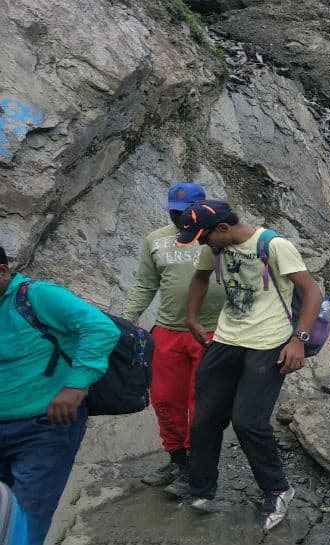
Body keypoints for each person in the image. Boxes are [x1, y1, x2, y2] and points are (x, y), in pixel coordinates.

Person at [176, 200, 323, 530]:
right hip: (226, 339)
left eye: (203, 237)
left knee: (248, 421)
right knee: (205, 418)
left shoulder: (273, 245)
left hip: (268, 342)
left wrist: (298, 339)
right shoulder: (212, 246)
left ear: (223, 228)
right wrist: (191, 319)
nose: (201, 244)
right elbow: (200, 279)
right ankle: (201, 490)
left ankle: (278, 489)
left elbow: (311, 291)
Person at [0, 246, 119, 544]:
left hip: (45, 428)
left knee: (26, 515)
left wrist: (76, 385)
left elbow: (100, 328)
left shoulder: (36, 296)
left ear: (3, 272)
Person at [121, 183, 226, 488]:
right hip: (167, 332)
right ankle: (177, 461)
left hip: (212, 332)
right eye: (174, 212)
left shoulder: (217, 237)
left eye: (185, 212)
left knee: (201, 404)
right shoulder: (156, 240)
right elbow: (144, 285)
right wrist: (125, 323)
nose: (179, 218)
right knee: (166, 400)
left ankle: (198, 467)